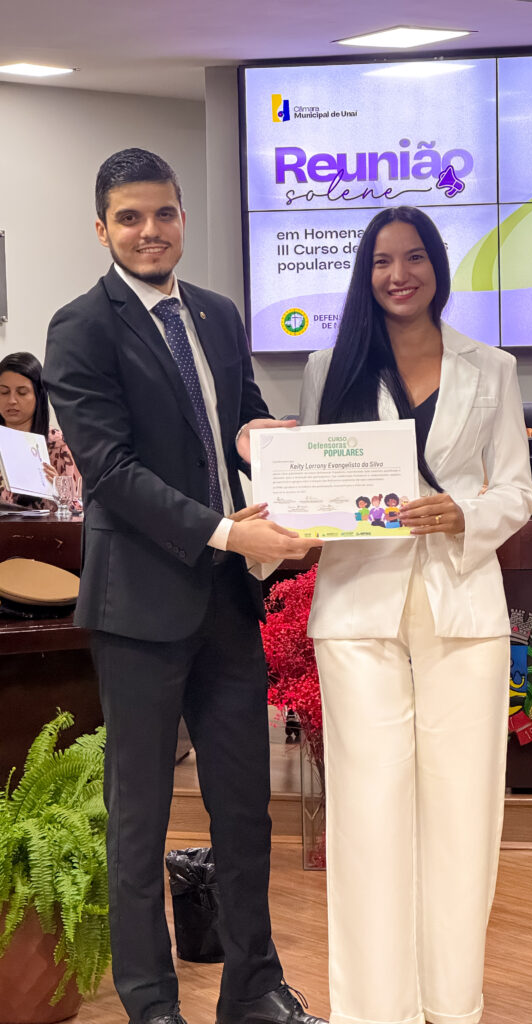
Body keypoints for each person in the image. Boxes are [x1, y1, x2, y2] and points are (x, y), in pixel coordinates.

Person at [43, 148, 324, 1024]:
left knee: (245, 811)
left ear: (183, 218)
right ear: (102, 228)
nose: (149, 231)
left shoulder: (217, 313)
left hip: (228, 605)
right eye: (129, 217)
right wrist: (228, 531)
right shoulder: (79, 328)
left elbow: (239, 415)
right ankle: (153, 1004)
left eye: (163, 213)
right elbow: (112, 471)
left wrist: (265, 442)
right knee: (140, 819)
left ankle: (254, 988)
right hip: (138, 608)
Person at [299, 206, 532, 1024]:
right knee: (367, 813)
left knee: (464, 810)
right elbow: (312, 486)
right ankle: (375, 1009)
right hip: (356, 613)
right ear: (364, 274)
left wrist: (465, 511)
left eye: (414, 258)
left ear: (437, 265)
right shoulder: (330, 366)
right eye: (381, 261)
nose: (398, 274)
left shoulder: (492, 367)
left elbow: (518, 488)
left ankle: (451, 1003)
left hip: (462, 608)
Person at [0, 351, 79, 507]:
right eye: (3, 392)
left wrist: (59, 491)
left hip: (44, 523)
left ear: (38, 396)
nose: (12, 400)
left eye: (22, 393)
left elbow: (77, 510)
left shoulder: (58, 445)